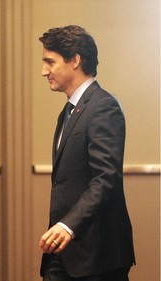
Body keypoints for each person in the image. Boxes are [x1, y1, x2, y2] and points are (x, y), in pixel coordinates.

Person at [37, 25, 135, 281]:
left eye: (50, 61)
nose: (43, 71)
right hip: (65, 251)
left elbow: (106, 178)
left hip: (96, 256)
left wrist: (68, 225)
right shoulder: (70, 111)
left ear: (75, 60)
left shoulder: (103, 107)